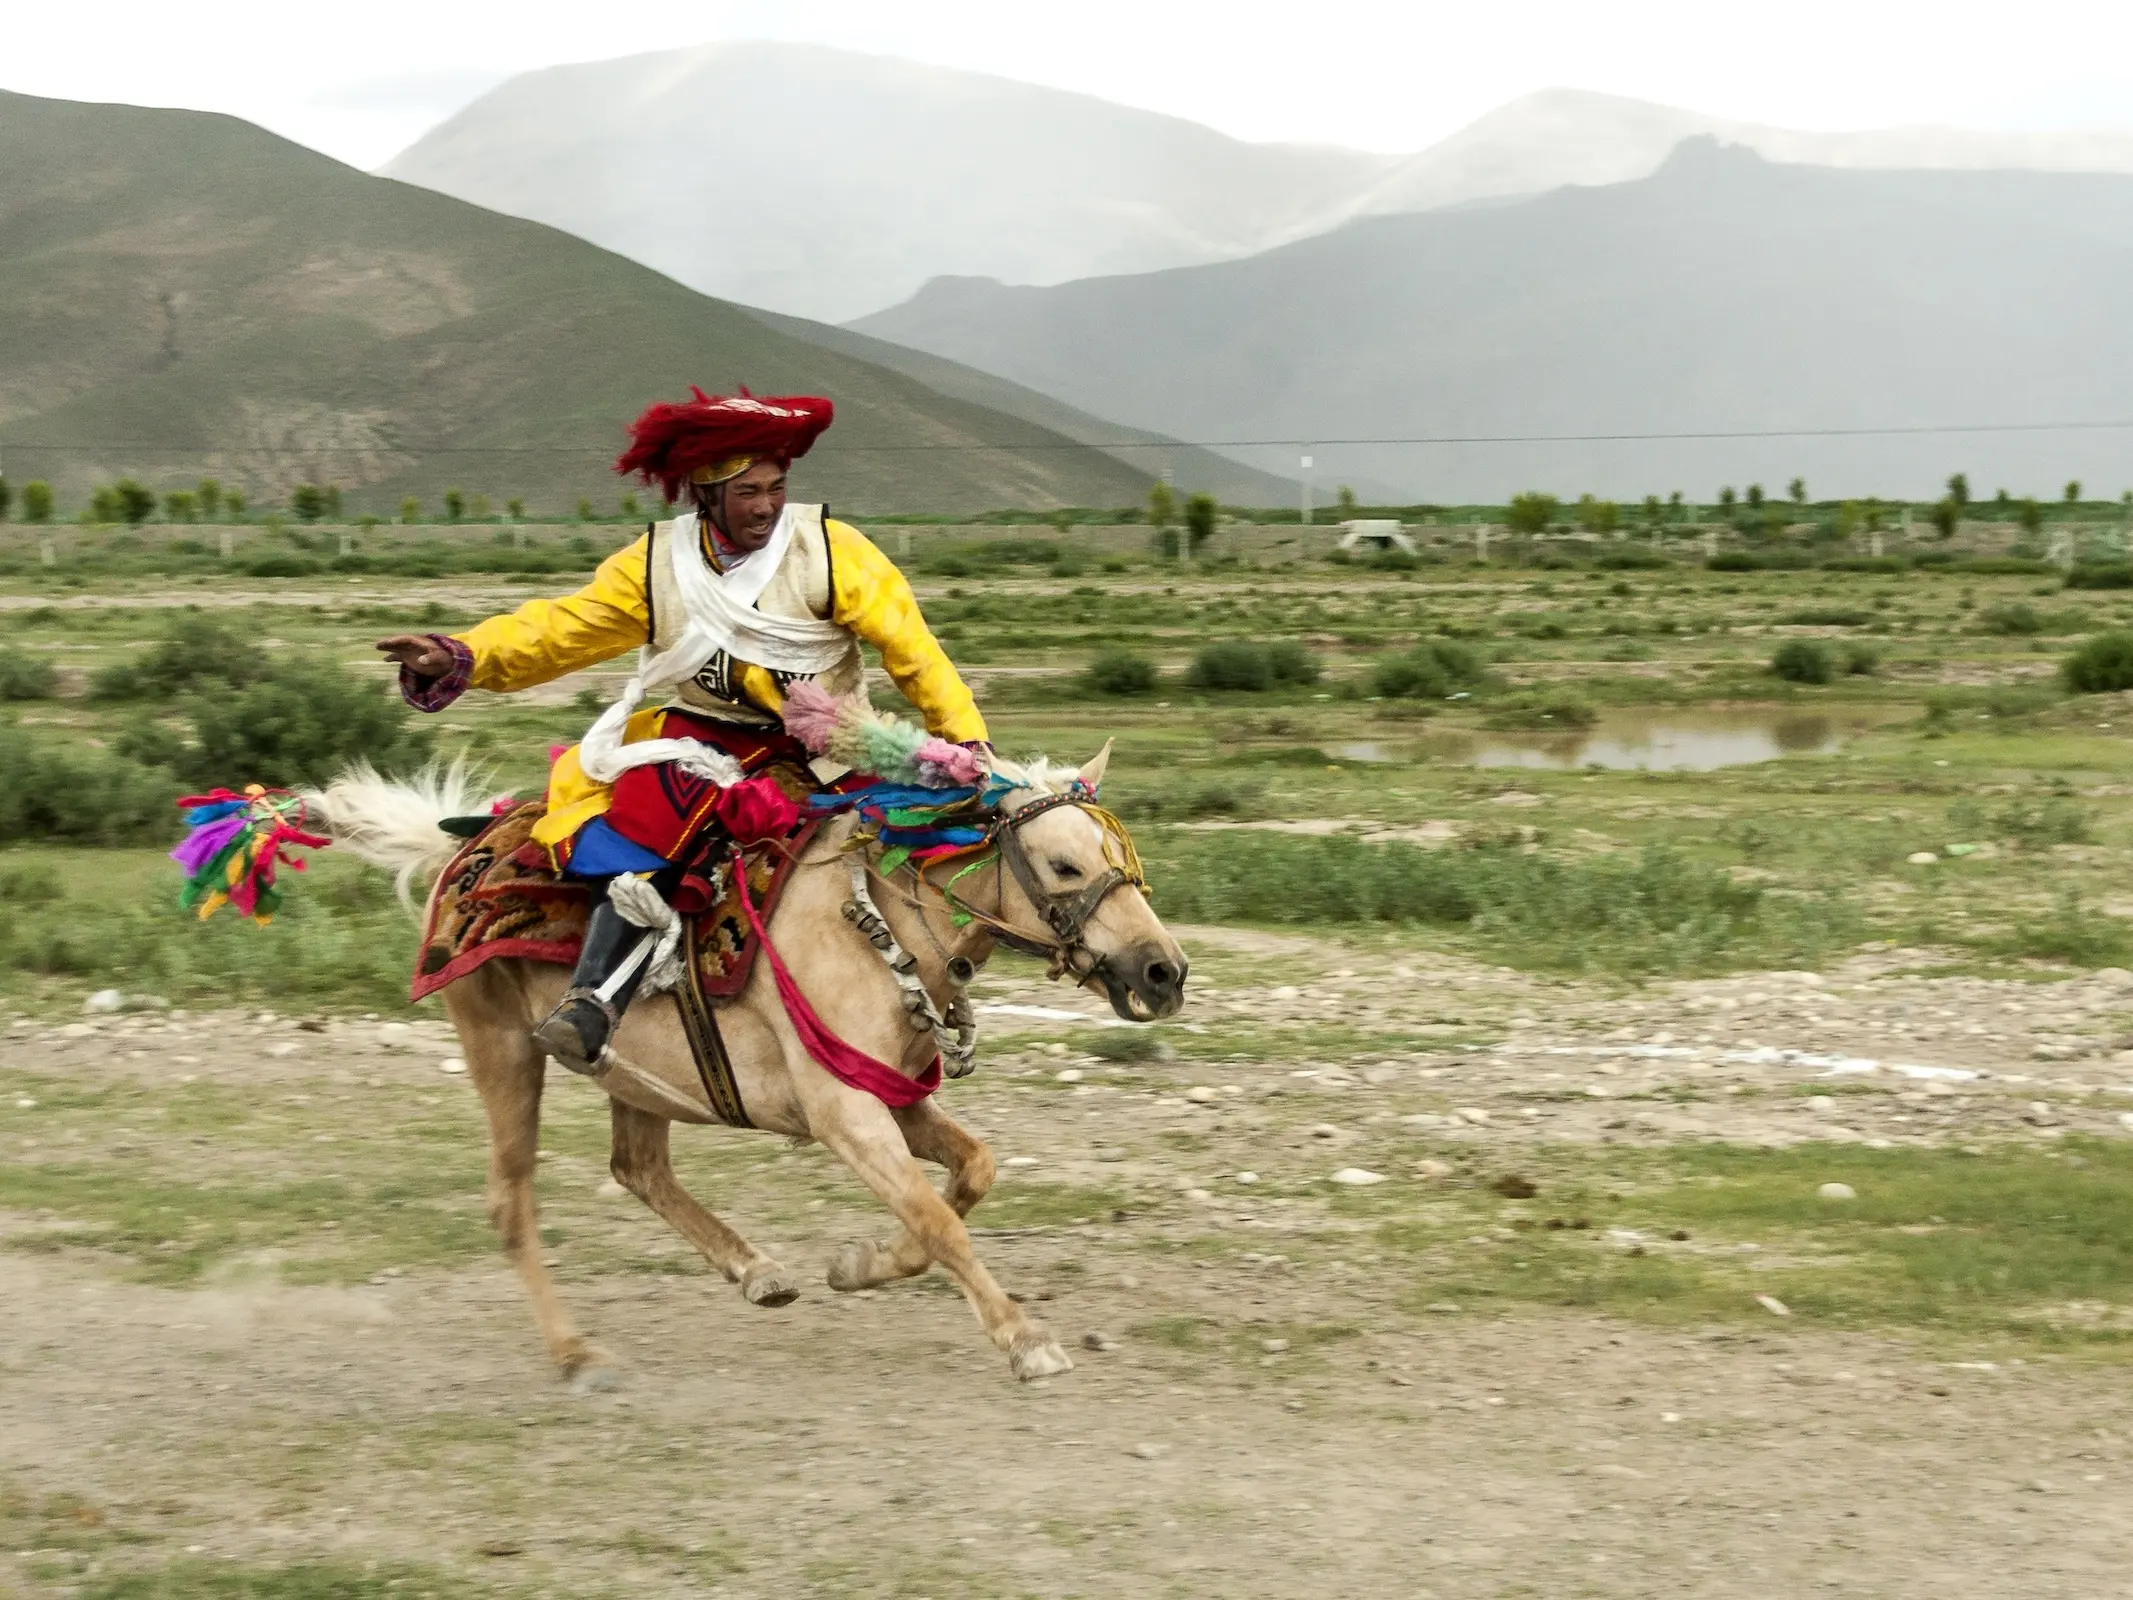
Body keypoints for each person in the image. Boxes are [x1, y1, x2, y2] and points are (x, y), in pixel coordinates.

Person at [377, 390, 987, 1074]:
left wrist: (960, 736)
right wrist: (462, 654)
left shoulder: (831, 551)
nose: (765, 505)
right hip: (704, 738)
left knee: (935, 836)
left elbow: (913, 650)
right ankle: (594, 1002)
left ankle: (943, 990)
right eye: (747, 491)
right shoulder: (655, 563)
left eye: (776, 487)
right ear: (704, 494)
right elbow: (559, 631)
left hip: (828, 744)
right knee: (640, 826)